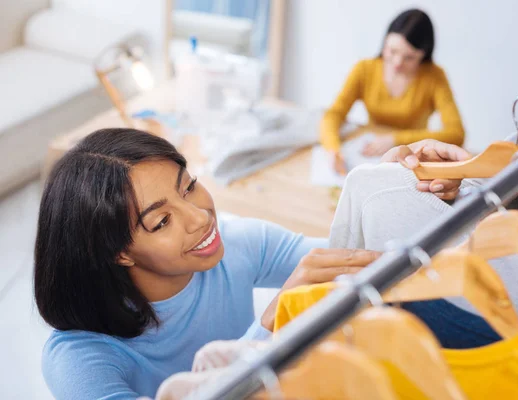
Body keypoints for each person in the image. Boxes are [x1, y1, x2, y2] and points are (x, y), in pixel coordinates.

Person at [35, 128, 466, 399]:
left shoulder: (237, 244)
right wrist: (272, 322)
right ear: (119, 251)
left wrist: (388, 189)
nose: (200, 217)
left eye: (189, 187)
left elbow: (351, 255)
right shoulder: (79, 358)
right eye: (163, 220)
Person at [321, 9, 466, 175]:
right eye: (392, 51)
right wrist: (333, 149)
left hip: (412, 161)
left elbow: (456, 133)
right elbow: (333, 114)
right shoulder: (364, 69)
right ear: (384, 42)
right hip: (370, 154)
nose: (397, 63)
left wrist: (396, 139)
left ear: (423, 55)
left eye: (409, 57)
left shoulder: (434, 76)